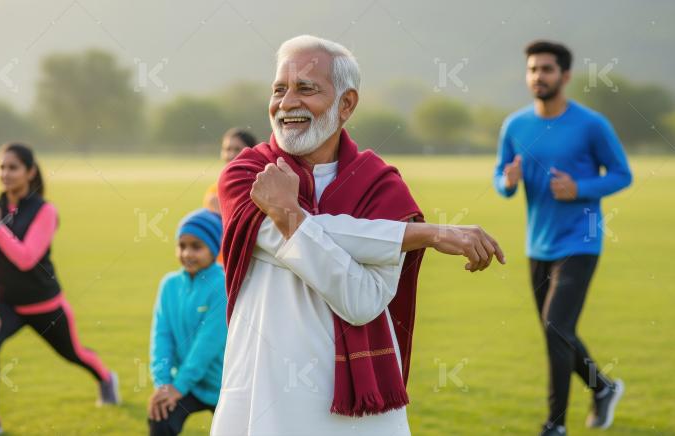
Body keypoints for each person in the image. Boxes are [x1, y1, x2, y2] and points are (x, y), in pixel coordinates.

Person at [211, 35, 505, 435]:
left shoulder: (381, 188)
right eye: (279, 89)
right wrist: (424, 234)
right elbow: (298, 236)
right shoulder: (248, 173)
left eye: (306, 89)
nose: (287, 103)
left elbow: (362, 301)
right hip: (262, 391)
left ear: (346, 104)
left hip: (354, 415)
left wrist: (287, 215)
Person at [493, 40, 632, 435]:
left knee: (555, 328)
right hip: (538, 244)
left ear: (565, 76)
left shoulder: (591, 125)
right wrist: (507, 182)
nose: (538, 76)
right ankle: (602, 388)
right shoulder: (515, 125)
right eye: (533, 69)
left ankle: (555, 426)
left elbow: (623, 174)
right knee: (558, 331)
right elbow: (501, 176)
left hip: (581, 241)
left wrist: (581, 188)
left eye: (547, 69)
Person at [0, 143, 118, 436]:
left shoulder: (45, 211)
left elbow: (26, 258)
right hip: (6, 305)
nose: (5, 173)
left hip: (45, 305)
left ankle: (105, 377)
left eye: (13, 167)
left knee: (73, 354)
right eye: (1, 167)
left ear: (30, 172)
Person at [147, 209, 226, 436]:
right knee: (160, 416)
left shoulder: (223, 285)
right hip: (187, 384)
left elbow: (207, 344)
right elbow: (161, 337)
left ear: (213, 249)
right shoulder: (169, 285)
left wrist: (178, 386)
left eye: (196, 246)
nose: (187, 253)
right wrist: (163, 385)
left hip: (226, 385)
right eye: (182, 246)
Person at [203, 128, 258, 214]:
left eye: (237, 149)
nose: (231, 155)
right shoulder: (214, 191)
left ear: (251, 152)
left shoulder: (260, 186)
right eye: (227, 149)